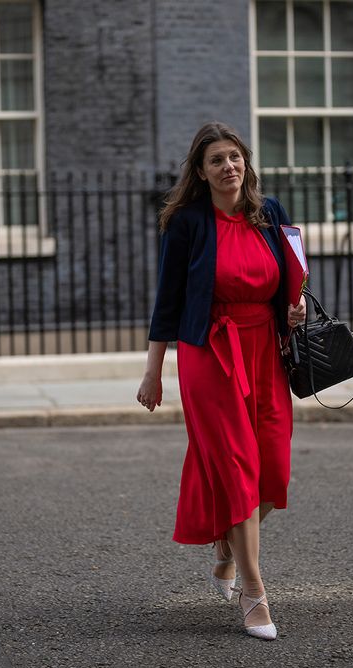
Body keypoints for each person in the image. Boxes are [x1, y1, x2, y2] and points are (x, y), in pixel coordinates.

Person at [137, 122, 306, 641]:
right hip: (209, 351)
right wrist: (153, 371)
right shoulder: (188, 222)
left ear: (246, 164)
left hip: (265, 350)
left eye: (235, 157)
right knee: (237, 466)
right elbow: (168, 300)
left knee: (272, 469)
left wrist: (292, 309)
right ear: (201, 171)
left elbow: (286, 278)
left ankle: (227, 546)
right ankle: (254, 593)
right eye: (216, 160)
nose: (228, 167)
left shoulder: (269, 212)